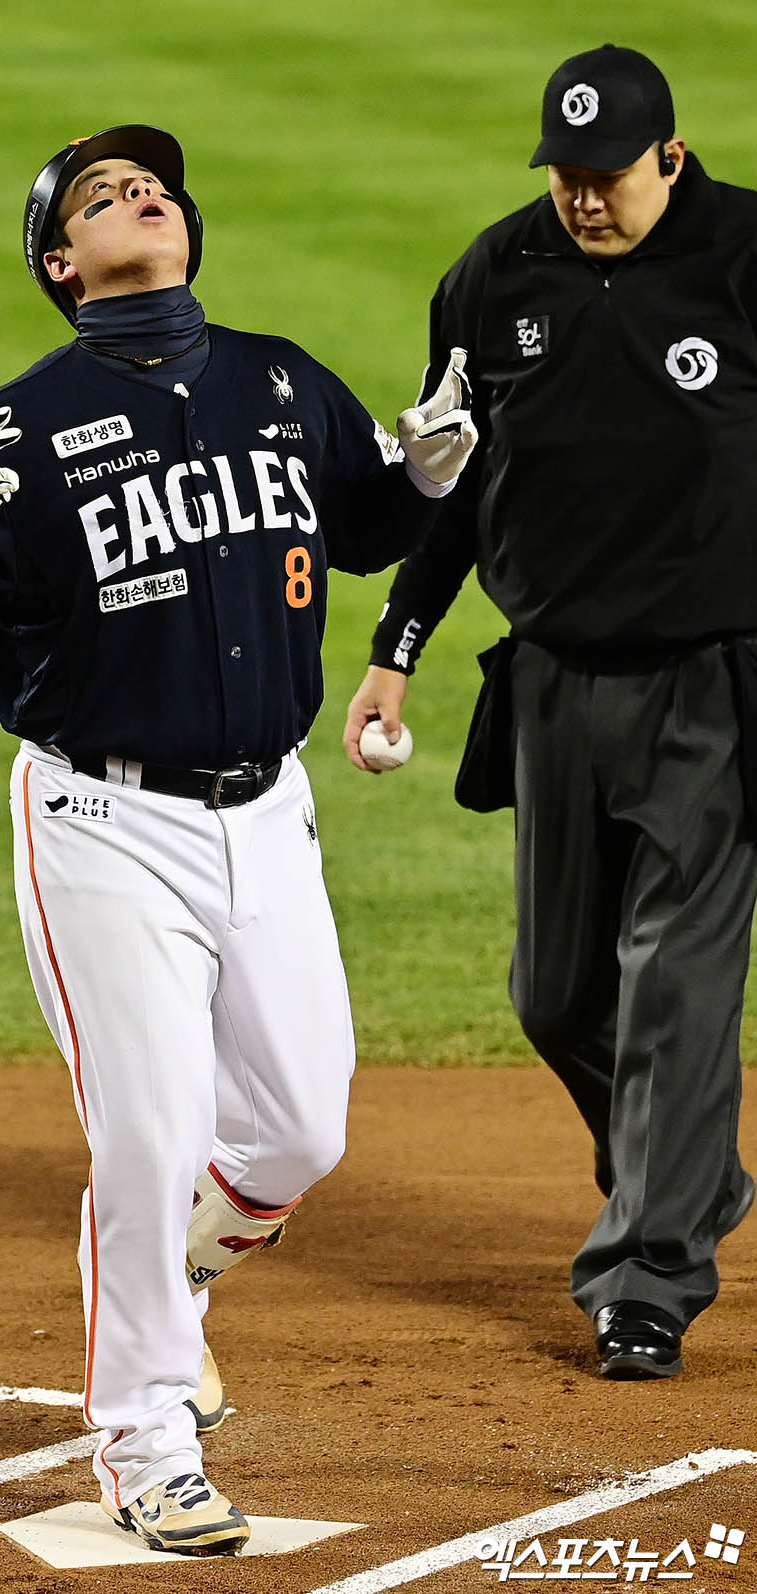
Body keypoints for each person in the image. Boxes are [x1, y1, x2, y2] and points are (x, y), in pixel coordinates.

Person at [0, 124, 475, 1555]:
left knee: (302, 1125)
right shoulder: (23, 423)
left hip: (268, 812)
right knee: (148, 1136)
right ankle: (146, 1437)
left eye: (154, 186)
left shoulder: (278, 380)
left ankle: (180, 1273)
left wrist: (427, 476)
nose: (142, 195)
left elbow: (364, 522)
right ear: (61, 263)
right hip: (104, 823)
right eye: (101, 196)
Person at [345, 44, 757, 1382]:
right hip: (554, 681)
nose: (583, 197)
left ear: (671, 157)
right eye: (565, 173)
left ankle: (646, 1277)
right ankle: (689, 1173)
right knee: (556, 994)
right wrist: (397, 645)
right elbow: (451, 482)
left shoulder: (744, 256)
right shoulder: (492, 277)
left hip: (715, 683)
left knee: (675, 982)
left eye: (608, 174)